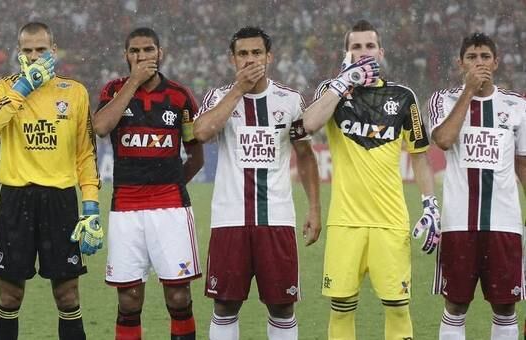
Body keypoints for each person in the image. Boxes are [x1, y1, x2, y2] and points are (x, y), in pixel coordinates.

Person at [302, 19, 438, 340]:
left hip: (390, 222)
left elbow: (419, 155)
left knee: (398, 307)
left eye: (369, 46)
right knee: (341, 306)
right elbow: (308, 124)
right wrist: (342, 83)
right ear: (346, 53)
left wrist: (430, 203)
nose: (364, 52)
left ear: (381, 51)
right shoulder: (330, 91)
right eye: (356, 47)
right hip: (345, 222)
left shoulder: (403, 96)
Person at [193, 26, 321, 340]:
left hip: (276, 220)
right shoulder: (219, 97)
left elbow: (305, 155)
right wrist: (238, 90)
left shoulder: (290, 100)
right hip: (229, 219)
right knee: (225, 304)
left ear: (269, 57)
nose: (250, 60)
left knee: (281, 307)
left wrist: (315, 209)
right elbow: (201, 132)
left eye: (256, 53)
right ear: (232, 59)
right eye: (243, 54)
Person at [0, 22, 100, 340]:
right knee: (9, 297)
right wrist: (23, 89)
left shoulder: (74, 92)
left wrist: (91, 206)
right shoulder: (3, 88)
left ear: (53, 51)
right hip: (16, 199)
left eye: (41, 50)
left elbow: (85, 154)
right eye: (27, 50)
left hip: (60, 201)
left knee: (68, 296)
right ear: (19, 53)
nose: (34, 56)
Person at [92, 27, 204, 340]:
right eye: (135, 51)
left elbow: (196, 155)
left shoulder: (179, 96)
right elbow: (100, 126)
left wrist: (170, 185)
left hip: (170, 207)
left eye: (148, 50)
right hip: (125, 210)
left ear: (160, 53)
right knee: (129, 300)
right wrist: (133, 83)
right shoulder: (113, 91)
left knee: (179, 297)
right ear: (125, 55)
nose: (142, 56)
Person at [429, 33, 525, 340]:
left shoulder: (516, 105)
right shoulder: (442, 100)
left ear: (496, 62)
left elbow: (523, 164)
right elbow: (443, 141)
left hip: (505, 223)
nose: (478, 62)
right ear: (460, 63)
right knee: (456, 304)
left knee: (506, 306)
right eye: (471, 57)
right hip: (459, 223)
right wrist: (468, 93)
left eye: (485, 56)